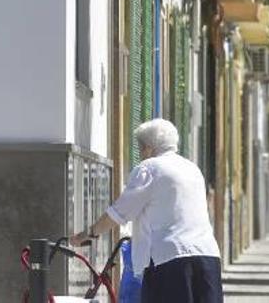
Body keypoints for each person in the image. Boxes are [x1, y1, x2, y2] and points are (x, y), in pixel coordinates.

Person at [70, 119, 222, 303]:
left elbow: (119, 213)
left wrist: (88, 234)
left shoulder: (149, 168)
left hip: (170, 259)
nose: (141, 153)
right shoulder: (193, 169)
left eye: (141, 148)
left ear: (149, 148)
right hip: (208, 256)